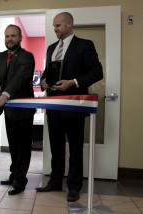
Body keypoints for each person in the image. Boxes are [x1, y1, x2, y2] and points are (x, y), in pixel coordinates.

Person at [35, 12, 103, 202]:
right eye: (54, 26)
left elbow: (97, 72)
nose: (55, 29)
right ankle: (55, 182)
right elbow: (47, 74)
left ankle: (74, 186)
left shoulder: (85, 45)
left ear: (69, 25)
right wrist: (44, 82)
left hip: (74, 106)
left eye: (58, 26)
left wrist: (72, 82)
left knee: (75, 148)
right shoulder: (51, 48)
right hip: (54, 106)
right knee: (56, 147)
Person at [0, 24, 35, 195]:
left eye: (13, 36)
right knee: (13, 145)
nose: (10, 39)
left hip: (24, 110)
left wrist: (5, 95)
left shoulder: (27, 57)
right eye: (7, 36)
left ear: (20, 38)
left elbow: (20, 78)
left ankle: (21, 180)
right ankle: (14, 175)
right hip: (8, 110)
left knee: (23, 146)